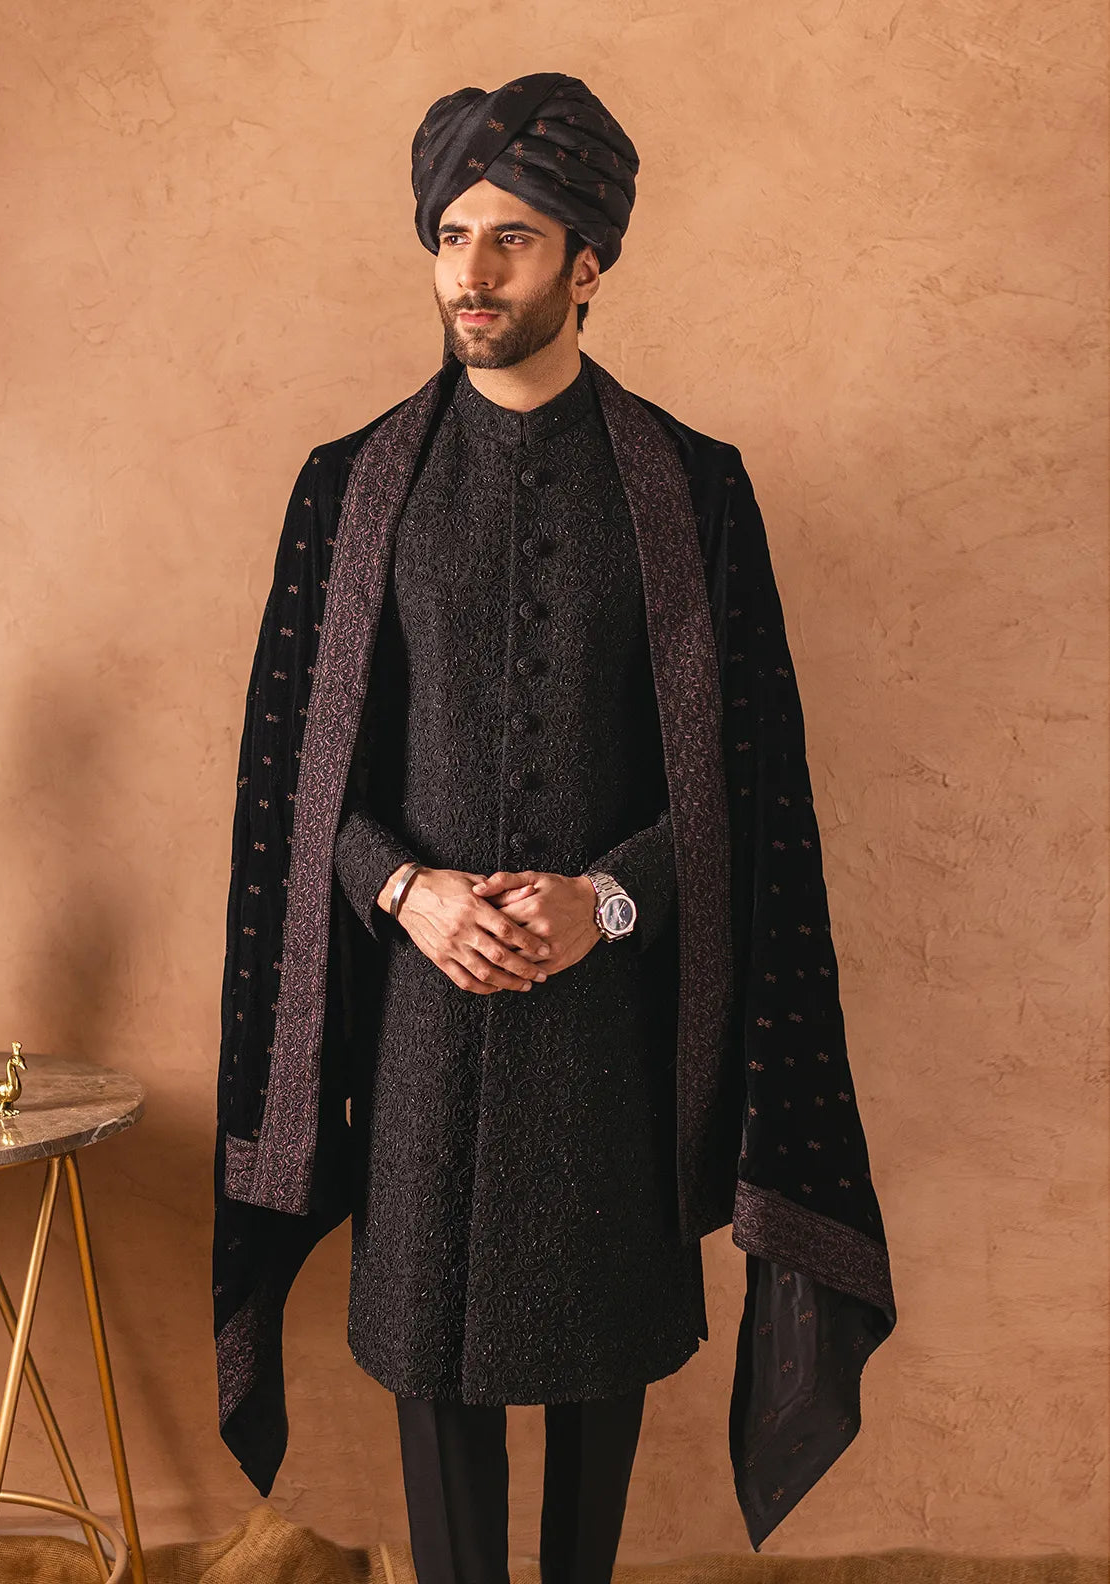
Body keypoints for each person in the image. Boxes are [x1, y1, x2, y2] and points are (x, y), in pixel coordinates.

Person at [212, 72, 897, 1580]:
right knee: (433, 1375)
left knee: (600, 1370)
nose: (470, 272)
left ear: (588, 263)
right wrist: (407, 892)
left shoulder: (694, 491)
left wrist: (611, 900)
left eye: (511, 238)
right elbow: (292, 782)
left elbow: (748, 781)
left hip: (611, 1028)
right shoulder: (348, 490)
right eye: (450, 234)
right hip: (420, 1021)